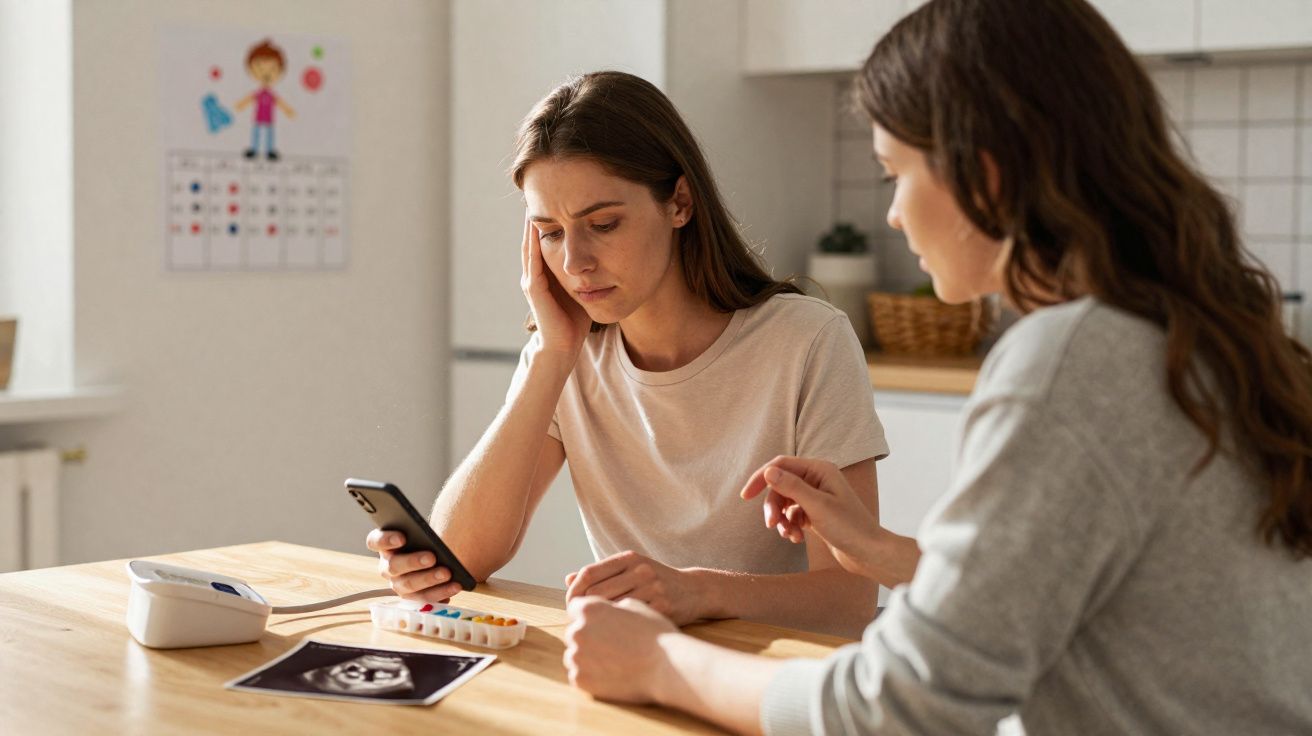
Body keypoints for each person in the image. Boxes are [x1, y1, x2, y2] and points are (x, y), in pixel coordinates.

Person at [561, 1, 1312, 733]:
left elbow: (898, 708)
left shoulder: (1071, 361)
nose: (892, 213)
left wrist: (661, 662)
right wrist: (890, 556)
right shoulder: (1198, 334)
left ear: (979, 174)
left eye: (894, 173)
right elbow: (1128, 606)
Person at [368, 71, 912, 637]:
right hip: (630, 668)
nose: (575, 261)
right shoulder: (566, 351)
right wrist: (553, 354)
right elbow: (459, 559)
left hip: (770, 684)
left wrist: (694, 590)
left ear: (679, 202)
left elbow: (848, 600)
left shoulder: (807, 341)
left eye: (602, 224)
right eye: (550, 233)